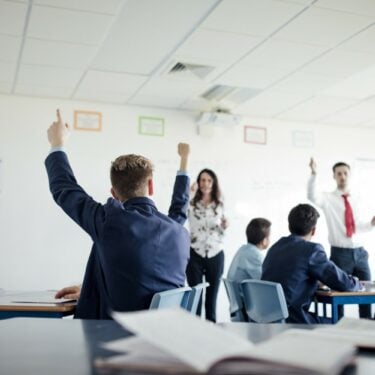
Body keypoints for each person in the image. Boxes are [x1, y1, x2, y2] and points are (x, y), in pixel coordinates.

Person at [47, 110, 191, 319]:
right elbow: (179, 210)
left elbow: (65, 189)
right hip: (164, 337)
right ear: (150, 185)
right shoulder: (178, 231)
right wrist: (90, 288)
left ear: (113, 194)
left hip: (111, 338)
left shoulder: (109, 222)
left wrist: (57, 143)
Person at [262, 203, 361, 324]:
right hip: (295, 320)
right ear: (313, 230)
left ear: (289, 226)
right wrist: (357, 283)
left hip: (270, 320)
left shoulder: (275, 247)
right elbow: (344, 284)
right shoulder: (312, 251)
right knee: (343, 324)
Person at [308, 158, 375, 319]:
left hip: (360, 254)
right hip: (340, 254)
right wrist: (314, 174)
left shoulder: (357, 198)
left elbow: (356, 225)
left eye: (345, 173)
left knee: (366, 297)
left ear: (349, 175)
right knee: (339, 297)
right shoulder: (328, 198)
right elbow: (312, 195)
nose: (342, 176)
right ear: (334, 177)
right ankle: (341, 331)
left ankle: (367, 333)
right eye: (339, 174)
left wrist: (371, 224)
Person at [186, 169, 228, 322]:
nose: (205, 183)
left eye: (209, 180)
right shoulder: (190, 201)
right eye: (202, 180)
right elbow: (181, 212)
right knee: (195, 297)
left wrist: (225, 224)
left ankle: (212, 336)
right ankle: (196, 334)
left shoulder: (220, 202)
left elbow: (221, 226)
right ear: (198, 182)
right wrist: (189, 193)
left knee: (211, 300)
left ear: (213, 183)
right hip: (195, 252)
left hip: (215, 252)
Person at [227, 218, 271, 283]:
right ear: (264, 241)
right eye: (269, 236)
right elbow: (266, 280)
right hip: (244, 292)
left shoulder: (243, 249)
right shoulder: (255, 256)